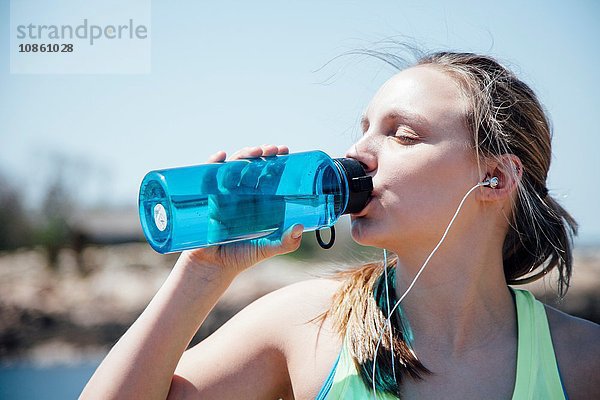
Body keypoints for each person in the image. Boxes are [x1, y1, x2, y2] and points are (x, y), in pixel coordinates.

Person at [81, 52, 599, 399]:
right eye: (364, 129)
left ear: (494, 178)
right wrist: (202, 270)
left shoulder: (581, 361)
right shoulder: (309, 324)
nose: (356, 153)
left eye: (403, 135)